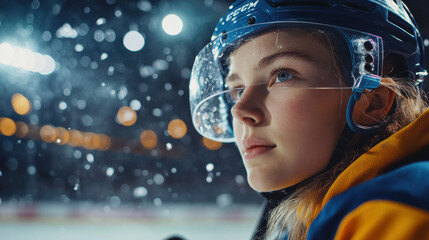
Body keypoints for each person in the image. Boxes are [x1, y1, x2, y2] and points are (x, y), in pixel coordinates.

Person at [189, 0, 429, 239]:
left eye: (282, 76)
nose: (240, 110)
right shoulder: (312, 212)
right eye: (238, 90)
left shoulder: (398, 210)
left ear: (372, 102)